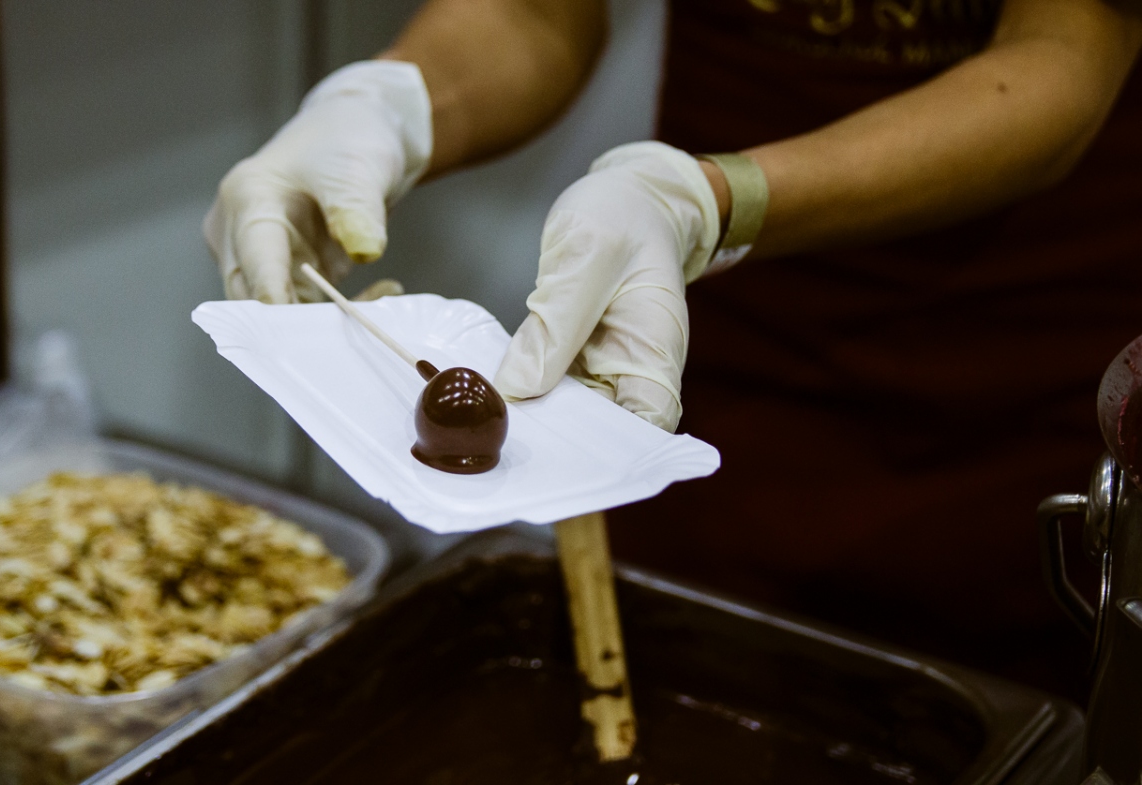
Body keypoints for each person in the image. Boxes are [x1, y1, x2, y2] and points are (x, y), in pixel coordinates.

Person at [204, 0, 1142, 699]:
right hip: (708, 347)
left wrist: (712, 201)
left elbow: (1061, 60)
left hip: (1008, 375)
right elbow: (536, 14)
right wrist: (388, 105)